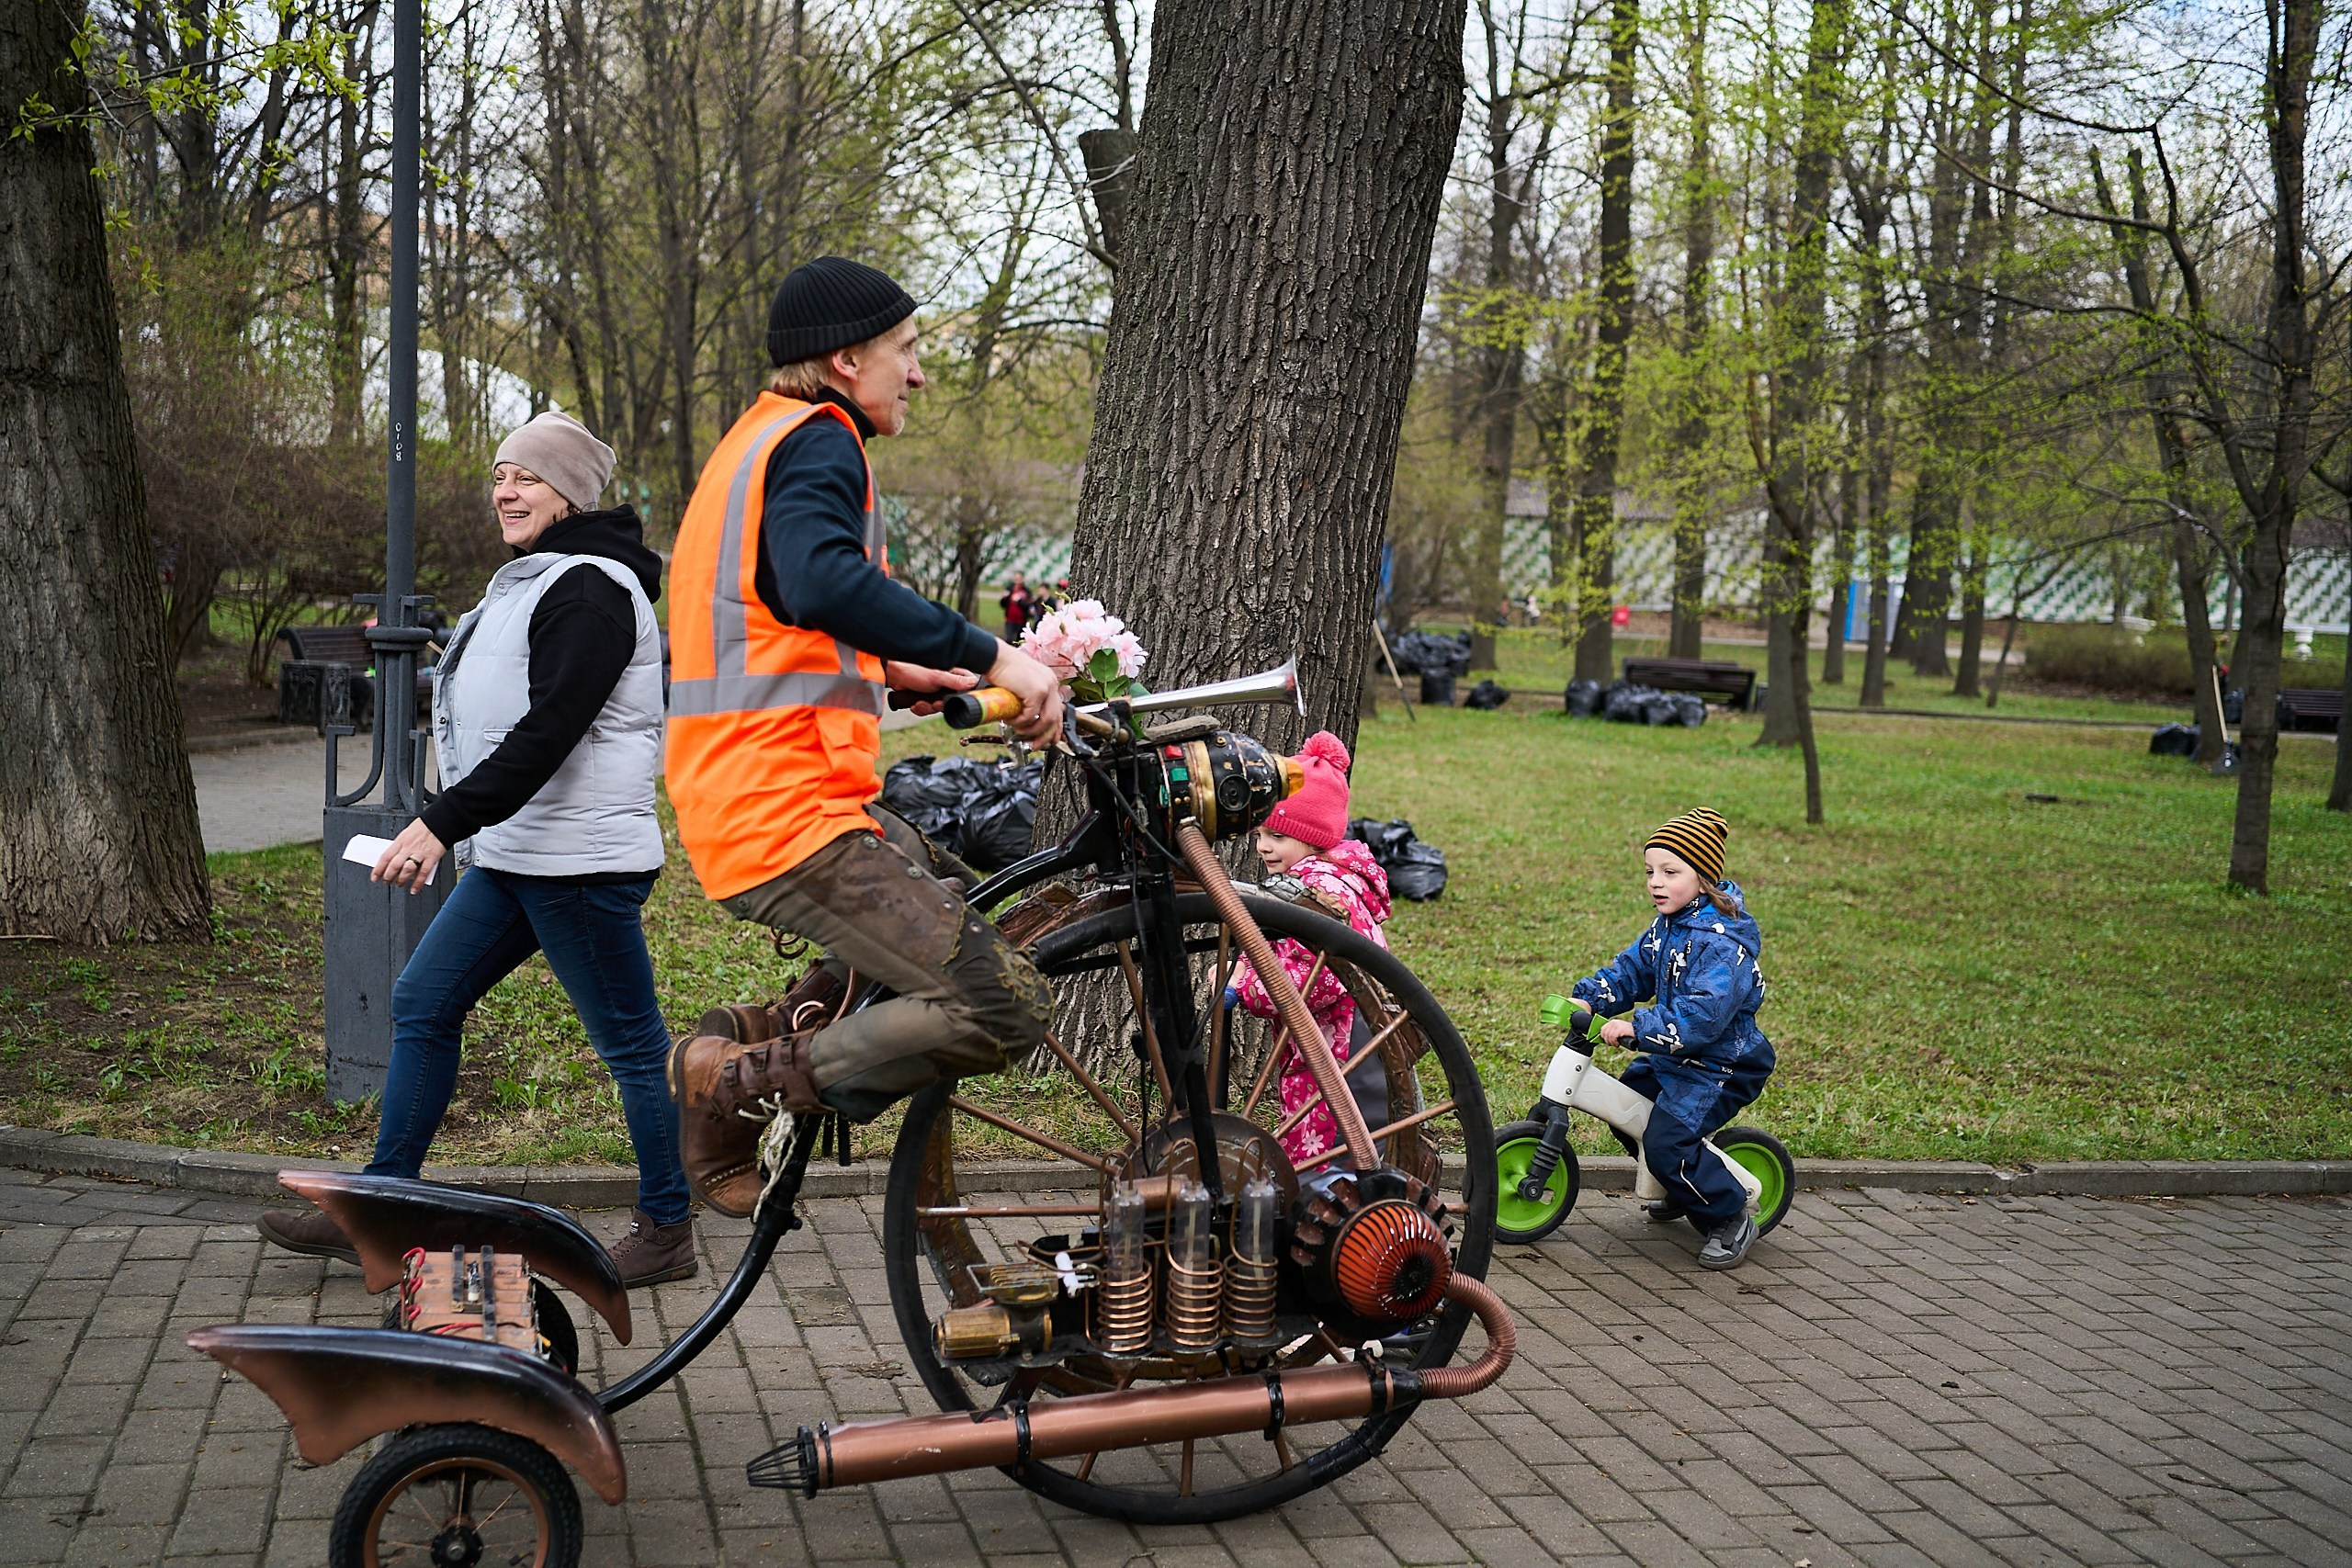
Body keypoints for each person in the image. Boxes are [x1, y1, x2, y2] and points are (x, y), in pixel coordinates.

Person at [662, 255, 1064, 1217]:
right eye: (906, 349)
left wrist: (896, 669)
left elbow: (776, 611)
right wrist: (993, 655)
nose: (917, 373)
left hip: (774, 800)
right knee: (1003, 1002)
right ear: (846, 360)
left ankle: (755, 1035)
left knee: (957, 899)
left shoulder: (762, 439)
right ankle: (746, 1079)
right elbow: (823, 582)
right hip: (785, 816)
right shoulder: (820, 440)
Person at [257, 412, 698, 1286]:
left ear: (569, 491)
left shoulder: (592, 590)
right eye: (499, 474)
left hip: (579, 861)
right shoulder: (533, 582)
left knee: (630, 1045)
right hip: (519, 851)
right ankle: (382, 1203)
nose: (505, 490)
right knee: (424, 997)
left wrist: (437, 822)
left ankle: (668, 1225)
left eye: (526, 477)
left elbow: (551, 732)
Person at [1566, 807, 1774, 1269]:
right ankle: (1683, 1185)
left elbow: (1703, 1016)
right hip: (1677, 1057)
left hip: (1720, 1064)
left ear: (1704, 878)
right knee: (1627, 1107)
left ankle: (1730, 1215)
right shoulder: (1669, 925)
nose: (1655, 882)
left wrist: (1637, 1028)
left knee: (1665, 1143)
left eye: (1670, 871)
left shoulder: (1723, 943)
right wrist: (1592, 1000)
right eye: (1649, 871)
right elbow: (1633, 971)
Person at [1224, 732, 1393, 1166]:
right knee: (1317, 1131)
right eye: (1260, 833)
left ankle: (1341, 1212)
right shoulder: (1320, 881)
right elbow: (1281, 946)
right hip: (1327, 1038)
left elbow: (1311, 978)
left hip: (1343, 1047)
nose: (1263, 846)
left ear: (1312, 836)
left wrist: (1244, 987)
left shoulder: (1320, 892)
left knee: (1332, 1143)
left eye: (1277, 836)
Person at [999, 571, 1035, 641]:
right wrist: (1004, 598)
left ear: (1022, 579)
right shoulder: (1009, 589)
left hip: (1021, 620)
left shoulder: (1026, 591)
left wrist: (1019, 601)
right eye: (1016, 578)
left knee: (1019, 640)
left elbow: (1029, 606)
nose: (1017, 580)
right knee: (1009, 639)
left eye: (1019, 578)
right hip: (1010, 619)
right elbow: (1003, 605)